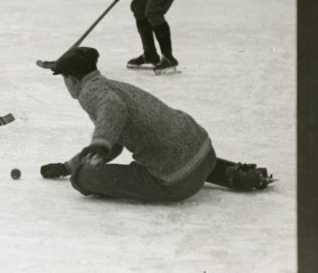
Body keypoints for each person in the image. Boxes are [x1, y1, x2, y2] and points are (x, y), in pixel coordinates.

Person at [36, 46, 272, 202]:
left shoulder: (90, 92)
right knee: (172, 151)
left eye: (64, 80)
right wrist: (68, 165)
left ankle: (81, 174)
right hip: (204, 153)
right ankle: (232, 173)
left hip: (175, 182)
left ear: (72, 79)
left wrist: (88, 157)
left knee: (84, 177)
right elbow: (115, 141)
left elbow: (113, 109)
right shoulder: (112, 85)